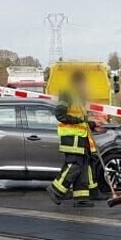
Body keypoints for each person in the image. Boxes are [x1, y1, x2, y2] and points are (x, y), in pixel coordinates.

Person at [47, 70, 98, 208]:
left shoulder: (78, 96)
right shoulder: (67, 93)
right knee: (74, 165)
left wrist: (91, 124)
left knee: (82, 166)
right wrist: (78, 120)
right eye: (83, 83)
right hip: (71, 138)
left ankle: (81, 198)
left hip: (80, 137)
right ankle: (55, 189)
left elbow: (82, 119)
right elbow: (60, 114)